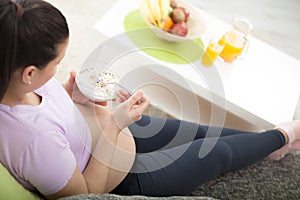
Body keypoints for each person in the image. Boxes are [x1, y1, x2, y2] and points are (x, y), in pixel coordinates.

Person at [0, 0, 300, 199]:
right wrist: (115, 124)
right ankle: (285, 134)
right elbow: (88, 194)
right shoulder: (34, 142)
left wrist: (71, 96)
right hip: (129, 178)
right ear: (28, 72)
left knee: (199, 131)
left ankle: (268, 145)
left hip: (109, 137)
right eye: (57, 63)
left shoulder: (11, 79)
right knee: (217, 152)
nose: (59, 69)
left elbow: (47, 114)